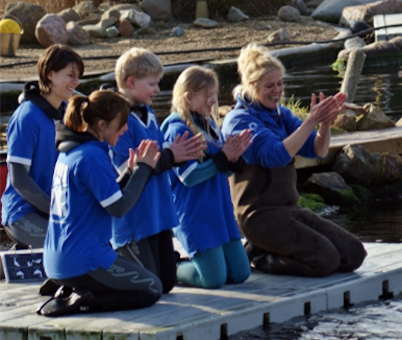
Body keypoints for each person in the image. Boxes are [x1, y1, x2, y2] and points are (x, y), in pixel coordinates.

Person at [222, 43, 367, 277]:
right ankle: (259, 257)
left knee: (353, 253)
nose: (277, 90)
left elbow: (317, 149)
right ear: (250, 86)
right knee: (324, 260)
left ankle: (267, 248)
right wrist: (311, 121)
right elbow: (274, 156)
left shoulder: (281, 114)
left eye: (279, 83)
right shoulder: (238, 120)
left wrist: (325, 123)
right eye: (269, 86)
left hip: (288, 210)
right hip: (258, 216)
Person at [39, 90, 163, 317]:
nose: (125, 129)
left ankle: (73, 288)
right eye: (121, 124)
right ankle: (86, 300)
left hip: (56, 261)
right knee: (153, 288)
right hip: (84, 260)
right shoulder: (92, 156)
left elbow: (104, 194)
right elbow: (118, 208)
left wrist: (130, 172)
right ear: (101, 125)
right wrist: (144, 170)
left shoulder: (70, 152)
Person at [111, 48, 205, 294]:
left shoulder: (148, 113)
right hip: (134, 220)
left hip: (157, 213)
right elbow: (126, 167)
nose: (157, 90)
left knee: (166, 282)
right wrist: (169, 156)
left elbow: (158, 152)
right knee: (149, 287)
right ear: (130, 82)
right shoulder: (118, 118)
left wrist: (175, 153)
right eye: (152, 84)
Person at [161, 66, 253, 288]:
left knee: (240, 272)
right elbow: (189, 177)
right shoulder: (178, 129)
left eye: (214, 94)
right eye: (207, 95)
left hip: (218, 212)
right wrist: (222, 158)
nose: (213, 100)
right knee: (213, 279)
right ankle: (170, 269)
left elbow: (221, 169)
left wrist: (233, 159)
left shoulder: (209, 124)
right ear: (188, 96)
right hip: (195, 215)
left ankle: (210, 262)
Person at [1, 45, 84, 251]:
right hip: (22, 213)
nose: (76, 82)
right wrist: (56, 210)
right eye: (70, 75)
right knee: (70, 246)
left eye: (78, 76)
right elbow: (19, 180)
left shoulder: (66, 114)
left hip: (55, 210)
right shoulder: (27, 117)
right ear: (50, 75)